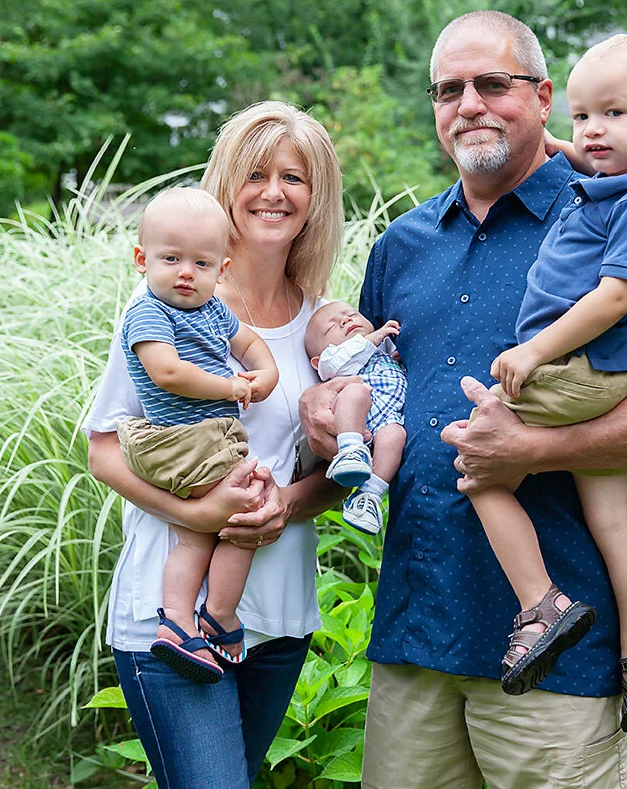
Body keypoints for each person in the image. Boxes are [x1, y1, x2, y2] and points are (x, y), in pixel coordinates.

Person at [300, 11, 627, 789]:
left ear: (542, 96)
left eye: (493, 83)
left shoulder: (607, 209)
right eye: (448, 88)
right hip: (417, 635)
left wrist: (539, 451)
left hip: (561, 660)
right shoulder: (402, 246)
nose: (470, 103)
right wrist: (323, 422)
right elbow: (371, 393)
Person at [84, 101, 347, 789]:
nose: (273, 192)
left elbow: (341, 469)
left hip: (279, 614)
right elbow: (103, 451)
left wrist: (286, 505)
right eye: (256, 173)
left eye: (294, 177)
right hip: (168, 616)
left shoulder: (325, 324)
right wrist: (199, 517)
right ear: (225, 185)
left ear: (316, 198)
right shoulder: (168, 303)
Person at [471, 34, 627, 731]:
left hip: (580, 374)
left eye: (613, 115)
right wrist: (553, 144)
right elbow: (574, 157)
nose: (592, 132)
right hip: (601, 381)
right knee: (611, 513)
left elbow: (614, 299)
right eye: (581, 117)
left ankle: (543, 604)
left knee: (477, 455)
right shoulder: (615, 182)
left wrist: (533, 352)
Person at [116, 186, 279, 682]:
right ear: (143, 260)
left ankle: (186, 621)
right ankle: (204, 617)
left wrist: (263, 373)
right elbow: (166, 372)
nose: (186, 272)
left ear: (221, 269)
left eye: (202, 264)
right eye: (171, 259)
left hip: (202, 438)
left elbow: (247, 341)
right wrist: (230, 385)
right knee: (245, 507)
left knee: (204, 531)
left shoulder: (209, 309)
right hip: (176, 440)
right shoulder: (147, 311)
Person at [304, 301, 406, 534]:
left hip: (385, 421)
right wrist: (377, 336)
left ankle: (368, 495)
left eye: (351, 314)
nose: (346, 320)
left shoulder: (382, 351)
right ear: (317, 362)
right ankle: (350, 451)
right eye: (332, 327)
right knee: (356, 391)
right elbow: (346, 357)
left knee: (396, 435)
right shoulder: (333, 361)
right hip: (356, 418)